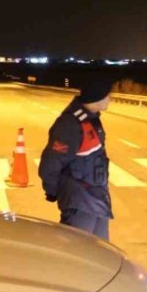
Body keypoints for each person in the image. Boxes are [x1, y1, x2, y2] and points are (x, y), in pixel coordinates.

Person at [38, 83, 113, 239]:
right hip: (80, 202)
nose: (110, 99)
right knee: (76, 248)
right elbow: (51, 163)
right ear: (97, 97)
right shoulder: (70, 125)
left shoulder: (91, 119)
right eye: (108, 95)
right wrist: (52, 190)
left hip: (98, 200)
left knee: (101, 251)